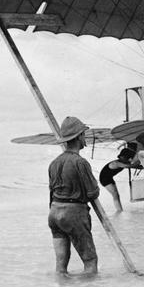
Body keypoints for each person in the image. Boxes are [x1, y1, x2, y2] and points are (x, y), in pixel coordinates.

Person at [48, 116, 100, 276]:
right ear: (78, 137)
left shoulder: (54, 163)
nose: (85, 138)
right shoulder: (80, 162)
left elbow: (51, 191)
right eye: (83, 134)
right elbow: (93, 193)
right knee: (90, 261)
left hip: (54, 213)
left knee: (61, 266)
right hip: (73, 214)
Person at [98, 142, 140, 213]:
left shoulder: (123, 162)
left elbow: (129, 165)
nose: (128, 160)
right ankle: (119, 211)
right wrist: (137, 164)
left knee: (116, 195)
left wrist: (140, 167)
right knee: (115, 194)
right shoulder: (116, 163)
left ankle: (119, 210)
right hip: (104, 179)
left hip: (109, 178)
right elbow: (128, 166)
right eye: (124, 157)